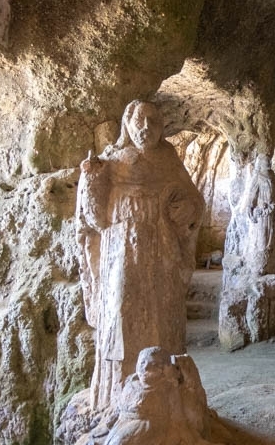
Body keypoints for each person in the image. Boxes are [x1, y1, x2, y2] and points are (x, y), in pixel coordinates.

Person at [77, 100, 203, 411]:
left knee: (164, 311)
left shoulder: (170, 159)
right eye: (140, 120)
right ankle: (118, 397)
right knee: (123, 311)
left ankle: (168, 396)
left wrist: (186, 208)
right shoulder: (112, 161)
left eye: (154, 121)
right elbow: (94, 219)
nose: (146, 127)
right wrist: (91, 179)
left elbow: (193, 202)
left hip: (162, 250)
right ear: (128, 124)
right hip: (123, 250)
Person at [245, 153, 275, 275]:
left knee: (272, 238)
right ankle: (260, 266)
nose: (269, 163)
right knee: (262, 238)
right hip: (262, 212)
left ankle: (271, 266)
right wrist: (250, 208)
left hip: (273, 211)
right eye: (266, 161)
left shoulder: (274, 176)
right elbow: (252, 194)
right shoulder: (258, 177)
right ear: (260, 164)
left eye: (269, 161)